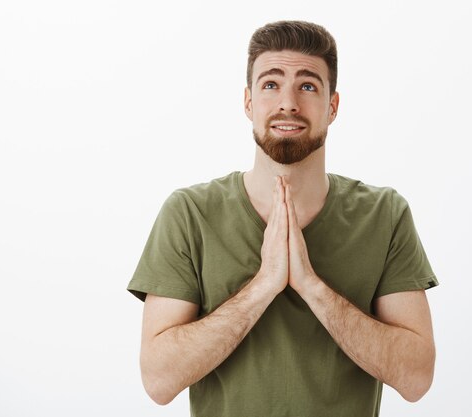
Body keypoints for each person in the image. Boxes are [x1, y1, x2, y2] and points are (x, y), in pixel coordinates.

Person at [127, 20, 439, 416]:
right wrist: (263, 285)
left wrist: (311, 286)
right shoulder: (189, 213)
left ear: (332, 106)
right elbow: (158, 380)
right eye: (270, 84)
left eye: (307, 85)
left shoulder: (385, 214)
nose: (288, 102)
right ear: (248, 102)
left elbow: (416, 379)